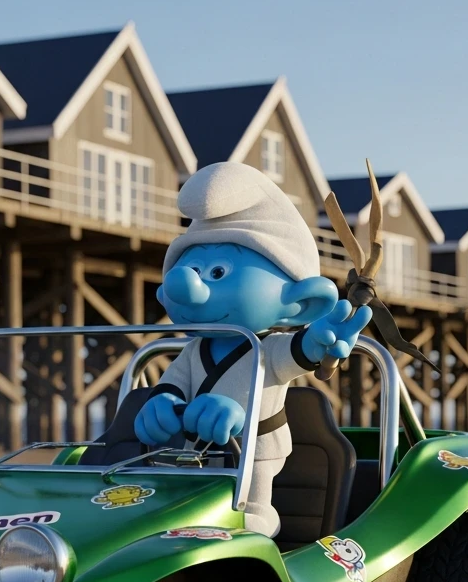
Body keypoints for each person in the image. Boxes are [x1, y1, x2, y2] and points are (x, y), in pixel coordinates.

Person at [134, 162, 370, 537]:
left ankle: (258, 520)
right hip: (196, 449)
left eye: (218, 272)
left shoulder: (266, 349)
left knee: (251, 507)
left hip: (256, 449)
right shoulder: (194, 351)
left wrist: (320, 338)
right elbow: (174, 382)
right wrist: (163, 403)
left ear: (302, 302)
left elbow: (299, 351)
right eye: (191, 264)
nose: (187, 283)